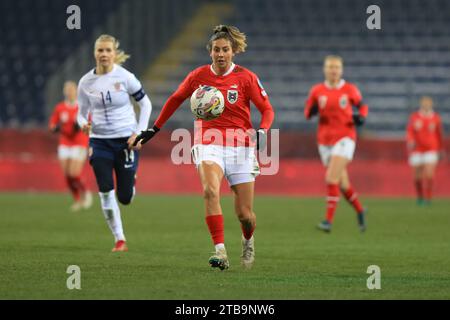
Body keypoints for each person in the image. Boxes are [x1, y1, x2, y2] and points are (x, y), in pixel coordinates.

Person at [133, 25, 275, 270]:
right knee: (210, 191)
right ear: (210, 52)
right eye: (217, 50)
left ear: (233, 52)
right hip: (208, 142)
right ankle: (220, 251)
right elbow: (176, 98)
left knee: (245, 215)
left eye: (226, 50)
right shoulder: (198, 76)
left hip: (241, 146)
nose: (221, 54)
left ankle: (248, 239)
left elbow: (267, 109)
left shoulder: (246, 77)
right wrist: (154, 129)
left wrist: (262, 130)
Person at [77, 34, 152, 252]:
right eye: (100, 50)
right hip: (99, 142)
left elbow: (145, 105)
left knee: (125, 198)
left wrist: (139, 133)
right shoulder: (85, 82)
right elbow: (80, 113)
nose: (104, 54)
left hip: (125, 141)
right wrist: (83, 123)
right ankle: (119, 239)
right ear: (95, 53)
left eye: (108, 50)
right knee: (105, 189)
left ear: (114, 53)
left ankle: (131, 180)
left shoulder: (126, 77)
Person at [304, 55, 368, 233]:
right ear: (325, 69)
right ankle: (360, 211)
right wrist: (312, 110)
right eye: (330, 67)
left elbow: (363, 106)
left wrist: (361, 117)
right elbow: (307, 113)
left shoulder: (350, 89)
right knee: (343, 183)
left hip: (345, 138)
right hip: (324, 141)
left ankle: (328, 221)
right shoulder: (317, 90)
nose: (333, 70)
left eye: (337, 67)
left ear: (341, 70)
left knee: (331, 178)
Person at [49, 81, 92, 212]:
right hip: (64, 142)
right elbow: (52, 124)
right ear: (64, 92)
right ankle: (77, 200)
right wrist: (55, 128)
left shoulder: (82, 107)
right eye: (67, 90)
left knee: (74, 173)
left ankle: (85, 193)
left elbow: (89, 123)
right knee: (67, 174)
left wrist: (81, 126)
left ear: (76, 91)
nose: (69, 92)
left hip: (79, 142)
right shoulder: (60, 108)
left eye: (72, 89)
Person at [406, 96, 444, 205]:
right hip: (417, 150)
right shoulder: (414, 117)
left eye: (428, 104)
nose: (426, 105)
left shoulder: (436, 118)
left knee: (429, 173)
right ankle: (420, 196)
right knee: (417, 176)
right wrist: (410, 140)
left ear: (431, 105)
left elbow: (439, 134)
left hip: (431, 149)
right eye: (424, 104)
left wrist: (440, 148)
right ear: (421, 104)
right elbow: (409, 131)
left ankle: (428, 197)